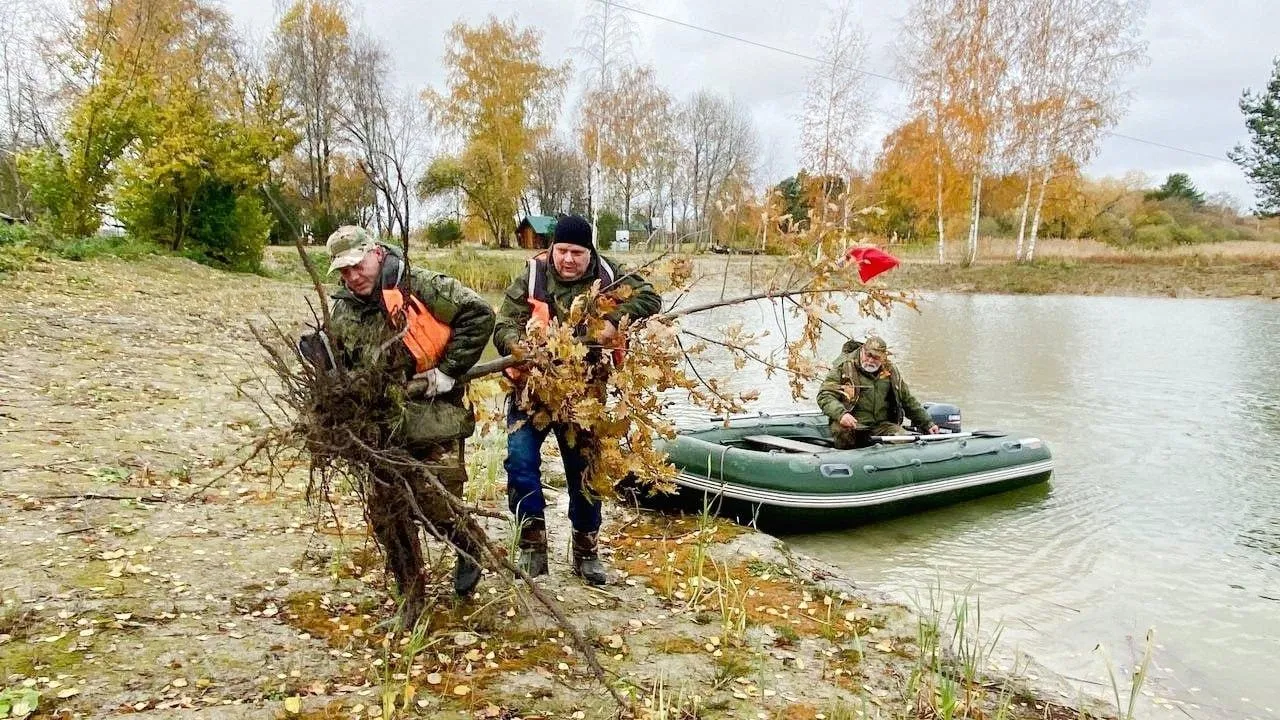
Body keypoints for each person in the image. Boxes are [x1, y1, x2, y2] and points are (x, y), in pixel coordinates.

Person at [322, 226, 495, 618]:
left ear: (375, 254)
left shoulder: (419, 285)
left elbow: (480, 314)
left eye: (356, 266)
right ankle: (411, 596)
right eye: (343, 272)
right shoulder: (343, 308)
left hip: (436, 419)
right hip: (381, 430)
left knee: (438, 505)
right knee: (388, 514)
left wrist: (448, 372)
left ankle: (468, 547)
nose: (352, 277)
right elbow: (341, 364)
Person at [492, 215, 661, 585]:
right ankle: (533, 545)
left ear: (590, 253)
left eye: (577, 253)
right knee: (520, 463)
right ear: (553, 248)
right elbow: (502, 323)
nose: (568, 260)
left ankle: (586, 551)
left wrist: (616, 320)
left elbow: (651, 296)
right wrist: (516, 347)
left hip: (585, 392)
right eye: (562, 251)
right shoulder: (533, 275)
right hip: (533, 390)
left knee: (586, 474)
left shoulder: (609, 273)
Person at [816, 335, 939, 449]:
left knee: (903, 438)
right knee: (842, 432)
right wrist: (841, 414)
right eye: (868, 355)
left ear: (883, 357)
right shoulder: (843, 367)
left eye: (875, 357)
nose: (870, 360)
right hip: (852, 423)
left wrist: (927, 423)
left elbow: (907, 400)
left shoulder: (891, 372)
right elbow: (825, 395)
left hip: (881, 426)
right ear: (862, 350)